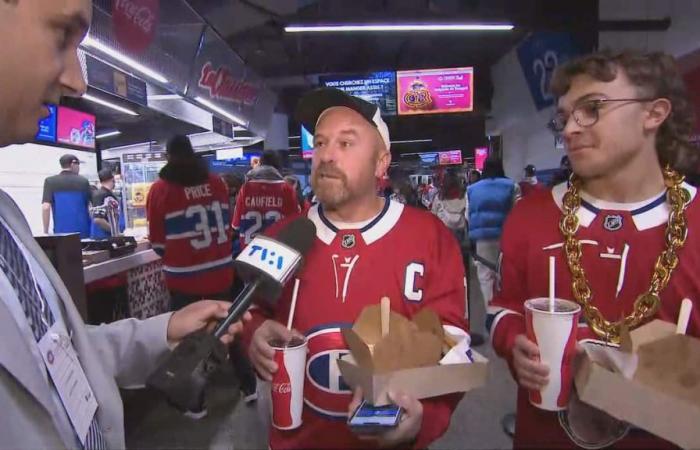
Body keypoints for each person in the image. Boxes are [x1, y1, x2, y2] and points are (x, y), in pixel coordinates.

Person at [0, 1, 246, 448]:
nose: (78, 80)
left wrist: (161, 329)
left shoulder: (7, 217)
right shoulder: (214, 183)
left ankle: (198, 404)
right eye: (61, 35)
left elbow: (53, 354)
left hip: (185, 280)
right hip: (222, 270)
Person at [488, 50, 700, 449]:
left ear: (653, 114)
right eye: (565, 116)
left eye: (592, 109)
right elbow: (503, 308)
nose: (570, 129)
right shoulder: (530, 216)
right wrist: (513, 340)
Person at [243, 87, 468, 450]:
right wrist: (251, 335)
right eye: (320, 143)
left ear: (381, 163)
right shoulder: (280, 236)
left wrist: (425, 420)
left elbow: (453, 345)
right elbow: (251, 311)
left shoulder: (431, 237)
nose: (327, 156)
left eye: (346, 144)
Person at [467, 157, 519, 307]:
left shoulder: (472, 189)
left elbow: (468, 215)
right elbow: (517, 212)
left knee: (485, 276)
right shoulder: (511, 186)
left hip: (482, 238)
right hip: (506, 237)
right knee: (504, 273)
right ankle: (506, 308)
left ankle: (491, 309)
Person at [232, 150, 299, 250]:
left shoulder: (246, 188)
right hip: (276, 253)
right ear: (278, 167)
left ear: (260, 164)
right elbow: (294, 225)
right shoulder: (287, 189)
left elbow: (235, 225)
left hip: (248, 252)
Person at [41, 153, 92, 238]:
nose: (79, 168)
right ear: (73, 164)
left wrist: (45, 232)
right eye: (78, 164)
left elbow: (45, 207)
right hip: (84, 231)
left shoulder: (50, 181)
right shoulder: (83, 181)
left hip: (61, 233)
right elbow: (90, 207)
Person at [432, 170, 467, 244]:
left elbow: (433, 215)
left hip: (444, 228)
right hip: (460, 228)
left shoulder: (439, 197)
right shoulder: (463, 195)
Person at [90, 168, 124, 239]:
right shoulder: (100, 195)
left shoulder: (107, 194)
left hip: (108, 237)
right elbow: (98, 219)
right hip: (103, 238)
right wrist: (116, 232)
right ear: (112, 179)